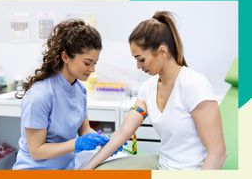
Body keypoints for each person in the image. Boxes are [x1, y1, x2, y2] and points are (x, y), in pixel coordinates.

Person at [83, 11, 226, 170]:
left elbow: (217, 153)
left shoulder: (194, 85)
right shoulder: (148, 88)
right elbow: (124, 131)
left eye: (141, 59)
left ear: (162, 51)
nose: (138, 66)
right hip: (163, 167)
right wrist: (87, 168)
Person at [13, 19, 110, 170]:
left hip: (67, 167)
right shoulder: (40, 95)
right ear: (65, 57)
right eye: (87, 63)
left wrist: (104, 142)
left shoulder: (80, 91)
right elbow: (36, 151)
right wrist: (77, 143)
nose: (92, 70)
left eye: (94, 63)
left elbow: (84, 130)